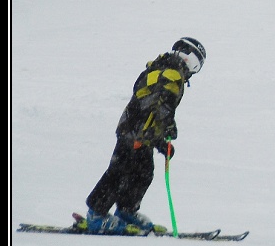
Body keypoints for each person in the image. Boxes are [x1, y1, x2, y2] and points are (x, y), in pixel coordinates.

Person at [82, 38, 207, 234]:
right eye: (195, 65)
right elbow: (162, 106)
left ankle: (126, 211)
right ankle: (96, 215)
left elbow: (152, 107)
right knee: (120, 172)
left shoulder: (162, 68)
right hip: (135, 133)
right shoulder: (172, 74)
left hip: (140, 133)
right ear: (187, 58)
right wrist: (168, 128)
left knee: (143, 173)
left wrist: (159, 140)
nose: (192, 71)